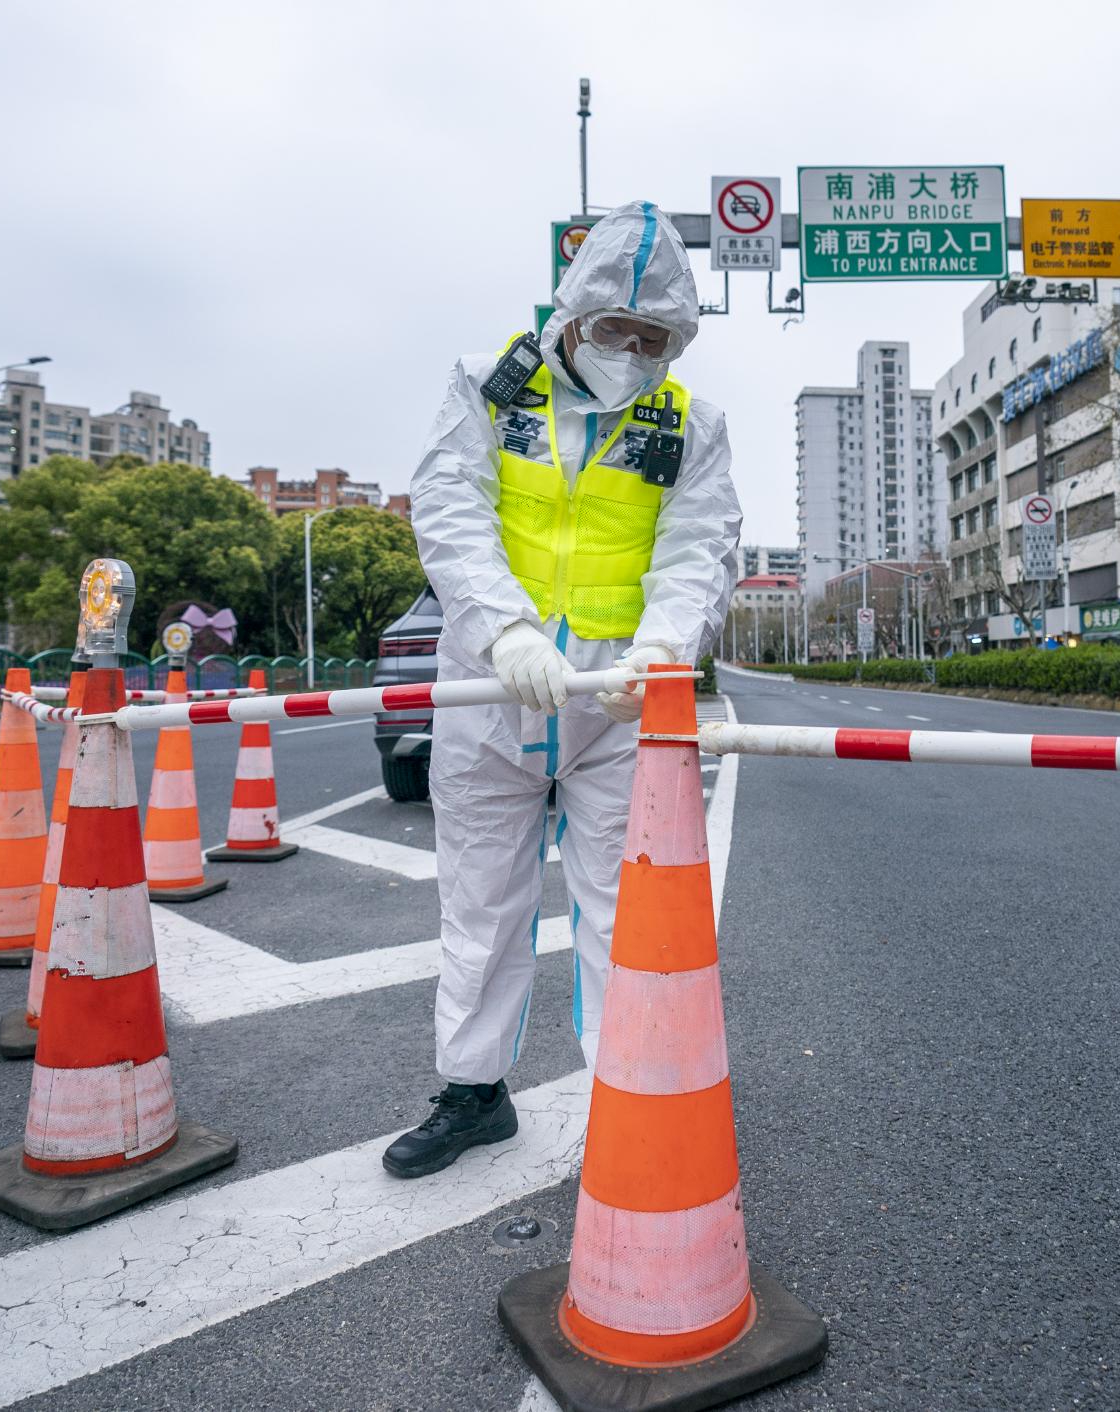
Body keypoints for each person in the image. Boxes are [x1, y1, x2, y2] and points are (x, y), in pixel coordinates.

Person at [388, 201, 741, 1178]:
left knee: (624, 914)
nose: (631, 351)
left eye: (651, 337)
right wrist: (500, 627)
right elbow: (449, 501)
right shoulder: (490, 391)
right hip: (488, 686)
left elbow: (699, 545)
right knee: (479, 905)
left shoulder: (686, 425)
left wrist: (659, 653)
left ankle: (631, 1100)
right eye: (614, 330)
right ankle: (470, 1092)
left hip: (615, 701)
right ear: (571, 315)